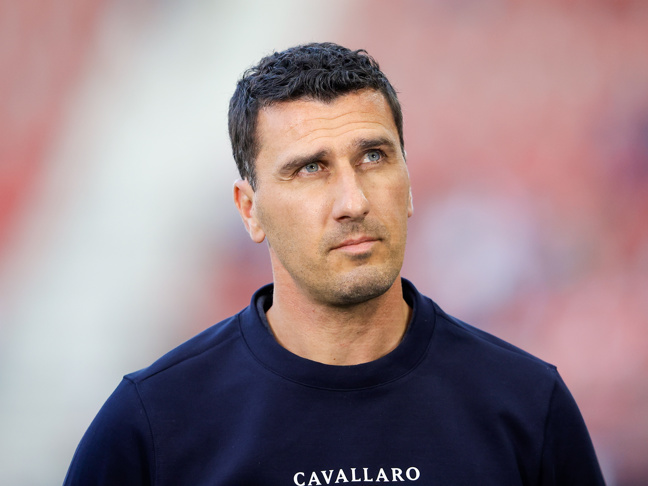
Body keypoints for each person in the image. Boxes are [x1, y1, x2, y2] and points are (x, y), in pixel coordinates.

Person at [64, 42, 605, 485]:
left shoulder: (526, 405)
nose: (354, 201)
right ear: (250, 210)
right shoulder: (151, 427)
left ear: (409, 184)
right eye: (310, 168)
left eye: (373, 157)